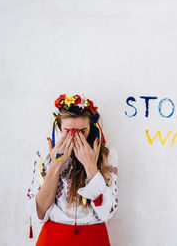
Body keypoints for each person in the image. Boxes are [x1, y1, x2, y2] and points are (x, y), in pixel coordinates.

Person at [26, 93, 119, 246]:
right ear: (58, 127)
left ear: (92, 128)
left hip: (93, 238)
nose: (75, 137)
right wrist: (55, 165)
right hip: (53, 237)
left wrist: (90, 167)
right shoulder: (45, 154)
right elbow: (39, 214)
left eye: (82, 131)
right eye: (68, 131)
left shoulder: (107, 155)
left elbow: (106, 213)